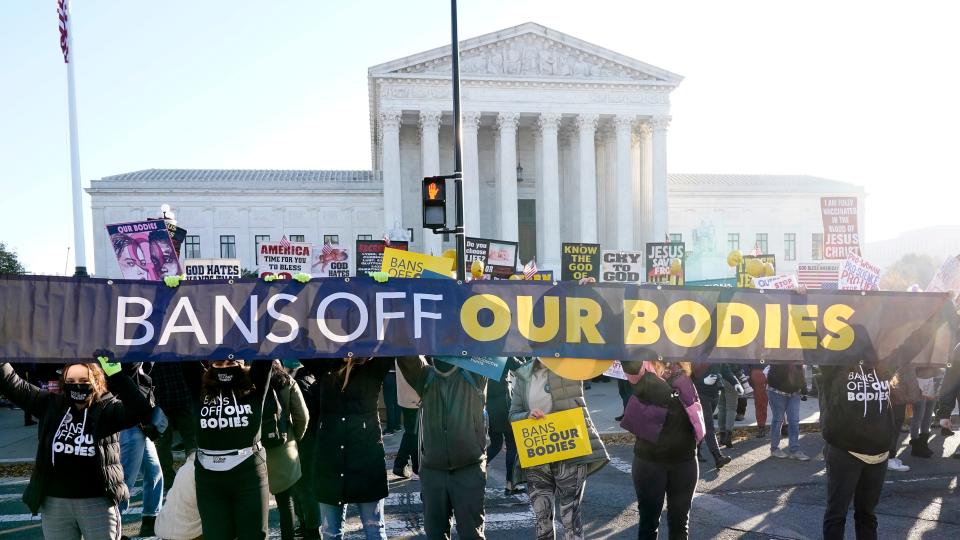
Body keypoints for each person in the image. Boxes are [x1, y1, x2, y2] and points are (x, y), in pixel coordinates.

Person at [0, 355, 153, 540]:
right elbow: (12, 384)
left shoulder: (108, 409)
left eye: (83, 380)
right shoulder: (51, 405)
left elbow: (142, 411)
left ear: (96, 381)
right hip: (55, 505)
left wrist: (117, 375)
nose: (77, 385)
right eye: (71, 381)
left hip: (97, 504)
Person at [818, 322, 936, 540]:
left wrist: (942, 311)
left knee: (867, 515)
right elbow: (810, 341)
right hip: (845, 454)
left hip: (879, 456)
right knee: (837, 514)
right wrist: (799, 302)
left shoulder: (883, 366)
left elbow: (913, 343)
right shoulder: (833, 368)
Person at [510, 358, 609, 539]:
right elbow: (512, 415)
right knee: (542, 521)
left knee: (571, 519)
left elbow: (591, 359)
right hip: (538, 454)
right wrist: (526, 415)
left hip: (570, 451)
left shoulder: (571, 367)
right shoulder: (524, 374)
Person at [302, 357, 393, 540]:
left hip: (366, 463)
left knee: (374, 530)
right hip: (331, 465)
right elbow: (299, 342)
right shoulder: (325, 366)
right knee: (330, 533)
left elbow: (395, 339)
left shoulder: (373, 367)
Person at [398, 355, 489, 540]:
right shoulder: (425, 376)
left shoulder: (474, 373)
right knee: (435, 535)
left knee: (472, 535)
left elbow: (490, 341)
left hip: (469, 468)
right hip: (434, 471)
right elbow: (405, 352)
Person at [622, 359, 704, 540]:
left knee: (680, 526)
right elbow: (628, 360)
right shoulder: (643, 371)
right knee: (648, 525)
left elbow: (708, 347)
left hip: (685, 461)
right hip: (650, 462)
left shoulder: (686, 368)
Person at [194, 359, 273, 540]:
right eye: (218, 362)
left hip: (249, 473)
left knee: (254, 536)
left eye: (230, 361)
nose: (224, 367)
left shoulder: (254, 384)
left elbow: (266, 349)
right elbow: (183, 348)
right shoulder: (199, 384)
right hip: (209, 478)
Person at [118, 362, 166, 539]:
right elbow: (129, 369)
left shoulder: (136, 351)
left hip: (140, 421)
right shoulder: (126, 352)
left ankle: (151, 520)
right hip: (130, 419)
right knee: (125, 479)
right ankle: (112, 525)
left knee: (155, 473)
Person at [264, 361, 309, 540]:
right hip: (284, 447)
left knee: (254, 504)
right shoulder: (288, 381)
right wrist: (295, 438)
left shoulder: (249, 381)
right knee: (286, 503)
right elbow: (302, 416)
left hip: (256, 450)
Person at [151, 361, 202, 490]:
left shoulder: (152, 354)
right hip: (183, 397)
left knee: (163, 444)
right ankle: (195, 475)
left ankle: (168, 480)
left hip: (162, 400)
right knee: (191, 441)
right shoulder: (178, 348)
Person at [486, 357, 525, 495]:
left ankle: (477, 470)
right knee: (512, 445)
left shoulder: (479, 353)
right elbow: (522, 368)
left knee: (496, 444)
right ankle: (510, 484)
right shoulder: (502, 353)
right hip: (503, 404)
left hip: (487, 406)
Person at [292, 363, 322, 539]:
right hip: (310, 439)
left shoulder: (300, 382)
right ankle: (308, 524)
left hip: (305, 440)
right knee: (304, 487)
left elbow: (303, 418)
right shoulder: (308, 378)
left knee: (303, 487)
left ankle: (310, 527)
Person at [692, 362, 737, 468]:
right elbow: (686, 375)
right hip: (700, 395)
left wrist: (735, 383)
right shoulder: (694, 353)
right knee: (708, 426)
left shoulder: (717, 353)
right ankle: (718, 457)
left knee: (702, 424)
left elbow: (725, 368)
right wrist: (702, 381)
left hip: (714, 394)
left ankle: (696, 452)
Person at [766, 363, 810, 461]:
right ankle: (774, 448)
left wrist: (803, 389)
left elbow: (800, 371)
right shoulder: (778, 353)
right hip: (776, 391)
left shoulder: (797, 353)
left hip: (794, 392)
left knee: (794, 420)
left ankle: (794, 450)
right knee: (778, 419)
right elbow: (772, 371)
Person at [392, 362, 421, 479]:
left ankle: (400, 464)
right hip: (415, 397)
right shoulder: (413, 349)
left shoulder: (402, 347)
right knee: (414, 434)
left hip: (406, 396)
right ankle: (415, 468)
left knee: (411, 433)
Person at [909, 366, 940, 458]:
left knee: (928, 414)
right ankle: (915, 445)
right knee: (919, 415)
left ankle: (923, 444)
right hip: (918, 381)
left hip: (932, 381)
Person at [716, 363, 744, 448]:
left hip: (720, 379)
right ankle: (728, 437)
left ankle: (722, 436)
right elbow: (737, 367)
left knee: (721, 408)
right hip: (732, 379)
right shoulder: (733, 353)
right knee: (731, 409)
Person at [382, 360, 403, 435]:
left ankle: (390, 429)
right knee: (397, 402)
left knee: (389, 404)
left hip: (388, 374)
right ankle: (397, 426)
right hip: (399, 375)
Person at [749, 365, 769, 438]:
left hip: (757, 371)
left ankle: (761, 428)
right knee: (779, 403)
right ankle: (784, 426)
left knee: (760, 404)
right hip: (771, 368)